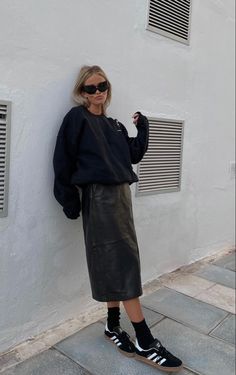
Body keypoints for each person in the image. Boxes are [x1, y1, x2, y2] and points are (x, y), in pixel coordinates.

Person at [52, 65, 183, 372]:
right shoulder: (77, 119)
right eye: (90, 88)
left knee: (118, 262)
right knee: (123, 263)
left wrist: (144, 129)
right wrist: (69, 200)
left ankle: (112, 327)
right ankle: (144, 340)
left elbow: (132, 155)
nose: (98, 92)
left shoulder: (115, 126)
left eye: (102, 85)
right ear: (81, 92)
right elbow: (63, 159)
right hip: (100, 197)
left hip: (122, 197)